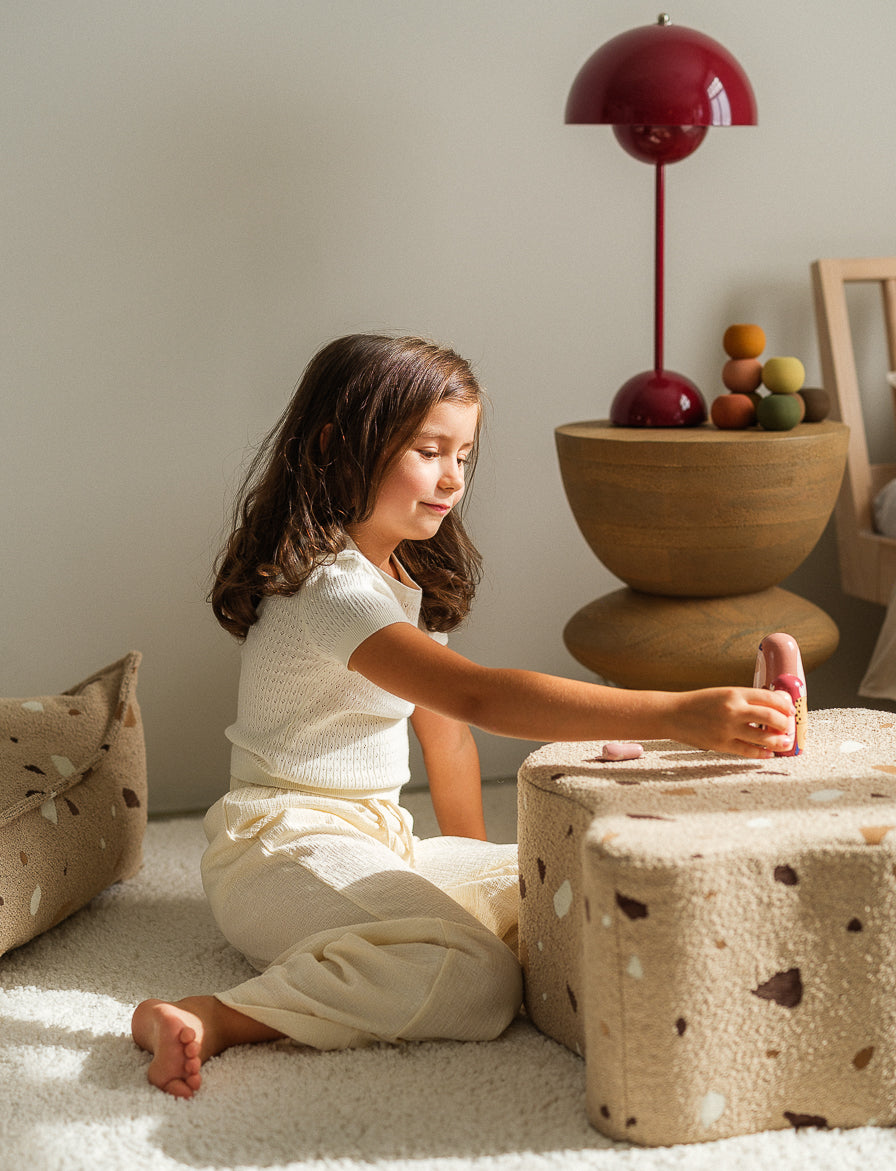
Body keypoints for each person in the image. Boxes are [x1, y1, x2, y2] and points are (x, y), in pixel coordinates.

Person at [132, 333, 794, 1097]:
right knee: (478, 975)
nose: (452, 478)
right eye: (428, 451)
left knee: (549, 888)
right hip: (277, 847)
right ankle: (215, 1014)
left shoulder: (396, 580)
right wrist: (673, 714)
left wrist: (480, 866)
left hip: (382, 837)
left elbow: (445, 735)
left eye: (464, 455)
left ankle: (384, 946)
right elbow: (476, 697)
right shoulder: (330, 591)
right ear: (334, 446)